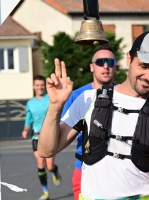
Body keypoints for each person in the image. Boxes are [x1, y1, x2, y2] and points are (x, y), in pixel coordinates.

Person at [38, 31, 149, 199]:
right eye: (143, 66)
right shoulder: (88, 99)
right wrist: (55, 106)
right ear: (129, 59)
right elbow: (46, 150)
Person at [61, 45, 117, 200]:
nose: (106, 66)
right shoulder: (78, 95)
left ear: (115, 67)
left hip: (119, 168)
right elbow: (62, 132)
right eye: (100, 62)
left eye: (110, 62)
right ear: (92, 67)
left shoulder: (124, 94)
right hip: (85, 166)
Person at [21, 75, 62, 200]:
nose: (40, 87)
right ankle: (45, 192)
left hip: (49, 135)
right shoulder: (30, 103)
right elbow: (29, 120)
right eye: (37, 85)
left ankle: (55, 171)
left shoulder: (50, 99)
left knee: (49, 166)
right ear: (34, 86)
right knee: (40, 162)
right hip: (36, 136)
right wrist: (26, 129)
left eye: (41, 85)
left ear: (44, 86)